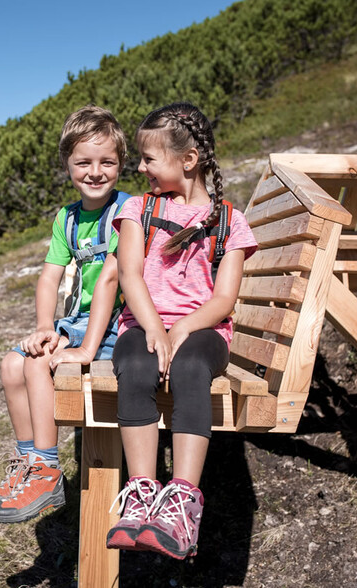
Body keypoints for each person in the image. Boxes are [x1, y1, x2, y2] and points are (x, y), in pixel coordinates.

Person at [105, 102, 257, 559]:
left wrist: (181, 331)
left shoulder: (230, 223)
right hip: (142, 321)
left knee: (191, 368)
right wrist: (154, 327)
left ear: (187, 160)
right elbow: (130, 275)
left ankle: (182, 502)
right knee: (134, 363)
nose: (140, 167)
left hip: (203, 329)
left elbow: (223, 301)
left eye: (149, 159)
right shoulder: (138, 209)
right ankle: (141, 494)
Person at [0, 105, 130, 524]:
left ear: (121, 164)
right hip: (76, 321)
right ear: (67, 164)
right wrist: (46, 325)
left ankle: (47, 470)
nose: (95, 172)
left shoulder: (126, 212)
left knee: (37, 362)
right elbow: (49, 279)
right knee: (11, 364)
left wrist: (86, 348)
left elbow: (112, 281)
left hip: (117, 324)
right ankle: (28, 462)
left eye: (107, 162)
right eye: (83, 162)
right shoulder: (66, 219)